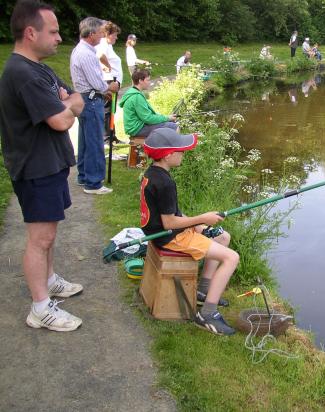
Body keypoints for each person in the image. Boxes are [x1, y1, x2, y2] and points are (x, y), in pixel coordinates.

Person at [0, 0, 85, 332]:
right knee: (40, 237)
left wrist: (69, 103)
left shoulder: (40, 68)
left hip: (49, 163)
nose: (59, 38)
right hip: (35, 167)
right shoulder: (22, 73)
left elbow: (74, 98)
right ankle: (40, 309)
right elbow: (61, 120)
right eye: (53, 31)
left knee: (49, 235)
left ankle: (48, 281)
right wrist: (68, 105)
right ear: (30, 32)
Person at [140, 128, 240, 336]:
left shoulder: (153, 173)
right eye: (181, 151)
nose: (183, 154)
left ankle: (203, 289)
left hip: (166, 231)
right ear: (169, 155)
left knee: (223, 237)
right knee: (232, 258)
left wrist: (199, 227)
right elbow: (169, 223)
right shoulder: (165, 182)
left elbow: (172, 212)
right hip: (169, 238)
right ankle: (207, 315)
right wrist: (203, 218)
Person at [70, 17, 120, 195]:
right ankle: (93, 183)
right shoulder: (86, 54)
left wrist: (102, 89)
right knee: (94, 142)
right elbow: (98, 83)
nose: (101, 35)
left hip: (85, 99)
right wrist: (110, 87)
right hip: (91, 101)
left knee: (85, 141)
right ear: (91, 34)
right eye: (100, 32)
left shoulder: (81, 50)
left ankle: (83, 175)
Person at [119, 68, 178, 137]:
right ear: (140, 81)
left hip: (138, 126)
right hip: (137, 129)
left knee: (169, 122)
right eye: (148, 80)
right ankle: (175, 147)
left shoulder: (134, 92)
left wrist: (166, 118)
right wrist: (167, 118)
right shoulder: (136, 96)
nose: (149, 82)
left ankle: (166, 146)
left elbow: (146, 117)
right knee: (174, 127)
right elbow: (148, 118)